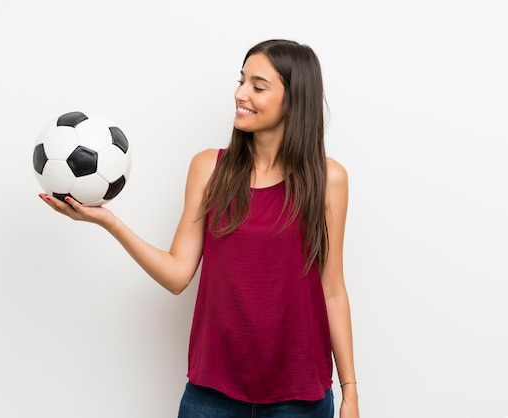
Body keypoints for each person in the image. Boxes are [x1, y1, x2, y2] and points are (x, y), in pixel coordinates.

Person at [39, 39, 359, 418]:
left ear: (293, 100)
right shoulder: (209, 168)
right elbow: (177, 275)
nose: (240, 94)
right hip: (213, 393)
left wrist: (350, 391)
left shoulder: (329, 179)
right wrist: (109, 221)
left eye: (258, 86)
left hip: (300, 395)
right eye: (241, 81)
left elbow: (332, 289)